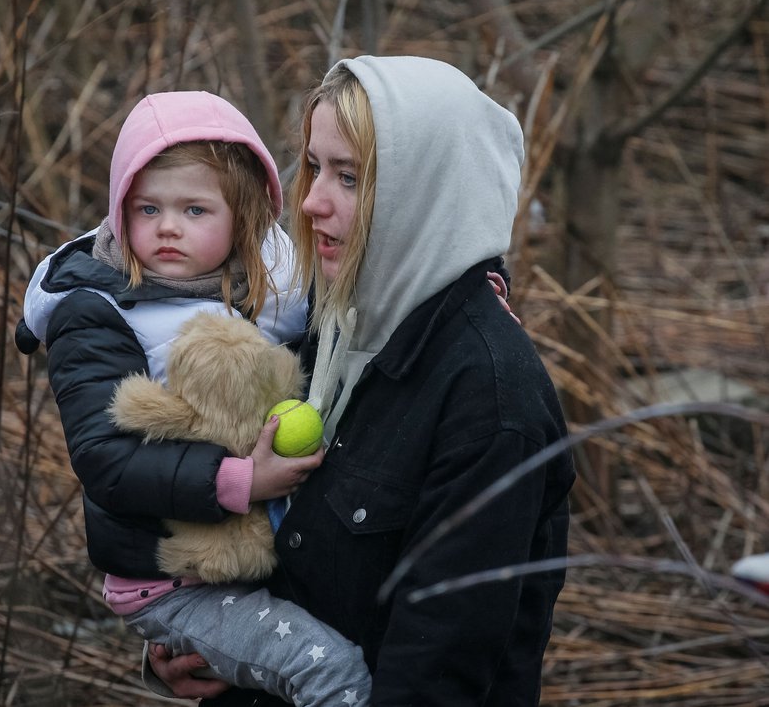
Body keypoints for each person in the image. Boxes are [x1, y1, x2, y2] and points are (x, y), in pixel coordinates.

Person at [149, 55, 576, 706]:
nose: (313, 200)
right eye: (315, 166)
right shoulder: (331, 330)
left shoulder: (489, 399)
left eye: (349, 177)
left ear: (425, 193)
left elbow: (435, 679)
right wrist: (200, 643)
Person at [15, 91, 375, 705]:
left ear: (243, 217)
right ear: (118, 211)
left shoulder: (270, 298)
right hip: (173, 583)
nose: (168, 227)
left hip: (242, 562)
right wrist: (240, 480)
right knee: (332, 675)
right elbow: (105, 460)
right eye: (147, 207)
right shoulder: (96, 312)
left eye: (195, 209)